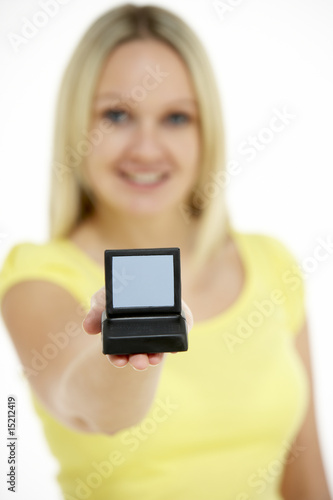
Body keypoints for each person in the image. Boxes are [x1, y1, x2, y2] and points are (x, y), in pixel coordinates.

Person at [0, 4, 331, 499]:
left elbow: (306, 480)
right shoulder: (35, 275)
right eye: (117, 115)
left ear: (206, 131)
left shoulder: (270, 263)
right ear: (77, 126)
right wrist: (130, 339)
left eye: (176, 117)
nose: (147, 147)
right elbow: (90, 405)